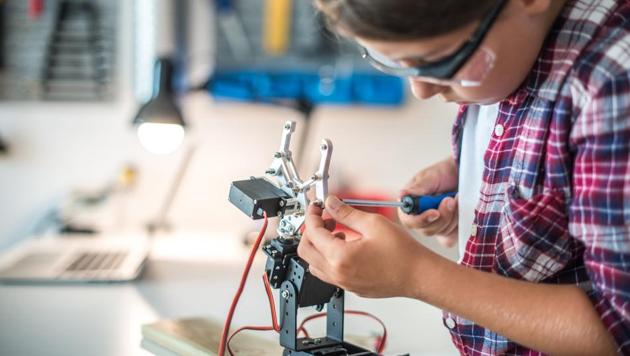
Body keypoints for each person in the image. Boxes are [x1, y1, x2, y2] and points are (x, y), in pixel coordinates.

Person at [297, 0, 630, 354]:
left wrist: (415, 274)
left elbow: (617, 333)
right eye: (395, 62)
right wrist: (469, 181)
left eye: (438, 61)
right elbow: (563, 151)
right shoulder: (502, 55)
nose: (421, 91)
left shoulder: (612, 81)